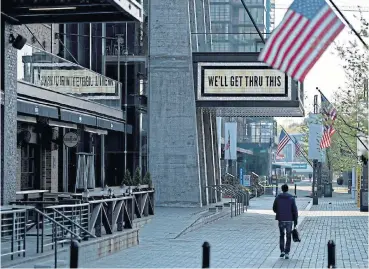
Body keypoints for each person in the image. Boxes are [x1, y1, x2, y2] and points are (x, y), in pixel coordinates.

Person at [272, 184, 298, 260]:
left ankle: (282, 251)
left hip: (281, 219)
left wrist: (279, 212)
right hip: (289, 219)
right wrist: (295, 219)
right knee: (288, 236)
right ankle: (287, 252)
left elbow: (274, 208)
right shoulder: (291, 198)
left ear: (282, 189)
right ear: (287, 189)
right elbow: (294, 210)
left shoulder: (278, 198)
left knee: (281, 235)